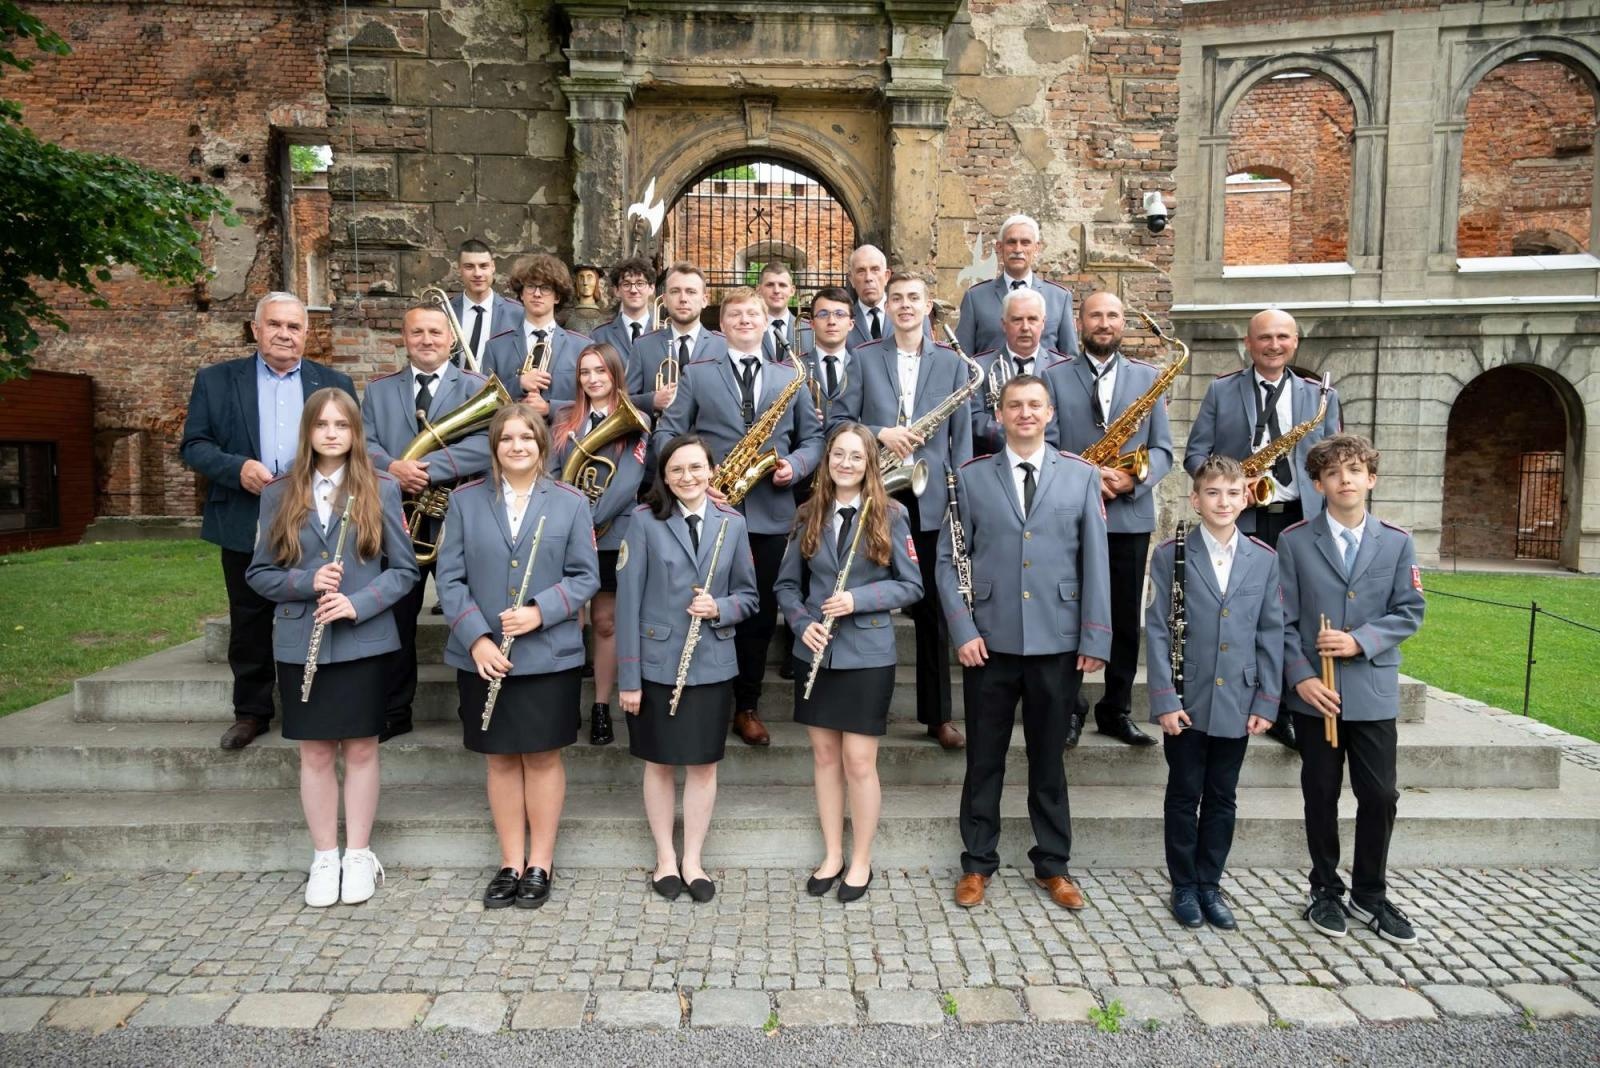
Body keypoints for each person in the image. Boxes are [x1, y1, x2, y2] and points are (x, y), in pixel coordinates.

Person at [936, 375, 1111, 911]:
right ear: (1000, 415)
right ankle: (977, 863)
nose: (1026, 413)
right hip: (988, 641)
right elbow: (948, 560)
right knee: (984, 759)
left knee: (1048, 761)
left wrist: (1095, 636)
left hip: (1057, 641)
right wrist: (963, 630)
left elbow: (1096, 561)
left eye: (1035, 405)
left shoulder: (1080, 476)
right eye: (1015, 405)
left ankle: (1053, 865)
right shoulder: (968, 477)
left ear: (1050, 412)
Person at [245, 388, 418, 906]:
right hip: (302, 642)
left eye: (342, 425)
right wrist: (304, 581)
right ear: (309, 432)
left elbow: (405, 571)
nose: (332, 433)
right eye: (322, 425)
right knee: (315, 752)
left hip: (362, 641)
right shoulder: (278, 492)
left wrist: (358, 603)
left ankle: (359, 853)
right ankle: (325, 856)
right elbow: (258, 573)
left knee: (363, 748)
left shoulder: (381, 489)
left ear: (355, 432)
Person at [435, 403, 601, 909]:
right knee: (501, 759)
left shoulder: (571, 503)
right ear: (494, 447)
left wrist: (540, 611)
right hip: (484, 656)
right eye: (506, 439)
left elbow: (586, 577)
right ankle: (510, 860)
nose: (517, 446)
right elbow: (450, 579)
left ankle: (541, 863)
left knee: (544, 757)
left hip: (548, 653)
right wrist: (477, 638)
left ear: (541, 445)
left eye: (526, 438)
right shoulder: (464, 502)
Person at [180, 292, 357, 751]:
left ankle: (316, 700)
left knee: (319, 602)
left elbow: (353, 445)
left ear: (306, 333)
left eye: (294, 327)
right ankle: (252, 711)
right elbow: (194, 445)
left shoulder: (331, 381)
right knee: (250, 613)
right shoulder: (217, 381)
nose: (284, 334)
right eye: (274, 324)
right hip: (246, 510)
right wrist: (237, 469)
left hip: (316, 511)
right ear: (255, 329)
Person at [653, 286, 823, 747]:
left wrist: (796, 465)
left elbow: (814, 440)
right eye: (735, 314)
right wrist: (691, 472)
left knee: (760, 614)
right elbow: (668, 430)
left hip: (769, 513)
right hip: (709, 507)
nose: (745, 320)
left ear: (767, 319)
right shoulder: (698, 372)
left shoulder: (789, 376)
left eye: (753, 313)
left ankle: (746, 705)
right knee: (705, 605)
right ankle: (705, 697)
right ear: (721, 324)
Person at [1278, 434, 1425, 945]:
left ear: (1371, 479)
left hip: (1372, 689)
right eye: (1334, 473)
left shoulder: (1397, 540)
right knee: (1320, 792)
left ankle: (1370, 892)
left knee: (1380, 794)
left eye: (1355, 470)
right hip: (1315, 693)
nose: (1345, 480)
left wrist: (1359, 640)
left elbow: (1410, 611)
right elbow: (1280, 620)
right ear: (1317, 485)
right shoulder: (1294, 541)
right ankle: (1324, 888)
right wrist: (1301, 677)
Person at [775, 424, 923, 902]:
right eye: (838, 454)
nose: (845, 463)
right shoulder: (806, 515)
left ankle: (861, 860)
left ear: (869, 465)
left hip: (867, 654)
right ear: (827, 460)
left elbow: (912, 586)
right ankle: (832, 854)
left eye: (856, 457)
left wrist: (858, 598)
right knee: (823, 757)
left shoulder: (892, 514)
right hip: (815, 650)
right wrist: (801, 623)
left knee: (858, 761)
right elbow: (786, 588)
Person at [1183, 307, 1343, 749]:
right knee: (1245, 613)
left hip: (1300, 521)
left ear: (1295, 342)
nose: (1274, 345)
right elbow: (1195, 455)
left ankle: (1287, 707)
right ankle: (1241, 700)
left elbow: (1334, 461)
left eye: (1283, 337)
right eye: (1264, 338)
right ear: (1248, 344)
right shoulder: (1221, 391)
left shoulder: (1320, 396)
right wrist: (1232, 485)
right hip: (1245, 521)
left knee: (1293, 613)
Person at [615, 434, 759, 903]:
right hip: (656, 665)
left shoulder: (732, 523)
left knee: (703, 766)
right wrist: (629, 679)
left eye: (696, 468)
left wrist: (720, 608)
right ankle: (664, 857)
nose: (687, 477)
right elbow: (628, 604)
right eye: (676, 469)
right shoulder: (642, 522)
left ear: (711, 470)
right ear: (664, 475)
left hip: (712, 665)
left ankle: (693, 858)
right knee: (658, 764)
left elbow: (750, 597)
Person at [1143, 455, 1284, 930]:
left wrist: (1266, 700)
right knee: (1184, 793)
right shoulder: (1170, 555)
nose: (1223, 502)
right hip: (1187, 696)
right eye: (1213, 493)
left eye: (1232, 492)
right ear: (1195, 499)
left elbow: (1272, 632)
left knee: (1222, 795)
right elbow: (1159, 631)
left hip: (1239, 699)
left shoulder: (1264, 559)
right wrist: (1163, 698)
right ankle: (1183, 885)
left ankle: (1210, 883)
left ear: (1247, 497)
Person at [838, 271, 970, 750]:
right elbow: (840, 421)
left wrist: (962, 506)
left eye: (914, 298)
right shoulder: (863, 356)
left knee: (933, 609)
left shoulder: (955, 365)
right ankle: (860, 707)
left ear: (928, 305)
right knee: (864, 596)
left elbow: (963, 440)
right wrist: (878, 433)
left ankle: (937, 717)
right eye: (897, 298)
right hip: (879, 493)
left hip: (931, 498)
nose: (906, 305)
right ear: (886, 306)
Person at [1042, 291, 1172, 749]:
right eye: (1095, 314)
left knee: (1122, 617)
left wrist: (1132, 480)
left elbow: (1163, 450)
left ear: (1123, 324)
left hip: (1128, 514)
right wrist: (1085, 476)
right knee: (1070, 612)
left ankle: (1116, 709)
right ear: (1080, 322)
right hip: (1072, 516)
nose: (1104, 322)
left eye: (1113, 315)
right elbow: (1047, 442)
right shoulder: (1053, 376)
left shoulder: (1149, 377)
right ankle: (1070, 709)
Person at [361, 302, 494, 741]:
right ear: (404, 338)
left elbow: (489, 444)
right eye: (417, 332)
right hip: (399, 521)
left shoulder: (477, 386)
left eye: (436, 333)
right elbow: (363, 444)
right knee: (397, 616)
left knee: (467, 611)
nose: (427, 341)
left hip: (458, 517)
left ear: (451, 339)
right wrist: (394, 467)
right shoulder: (379, 391)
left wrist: (425, 466)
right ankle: (394, 711)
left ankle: (470, 705)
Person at [549, 343, 650, 747]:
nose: (592, 379)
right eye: (585, 372)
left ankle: (601, 706)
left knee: (606, 622)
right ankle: (567, 700)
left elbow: (627, 483)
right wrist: (572, 524)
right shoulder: (562, 418)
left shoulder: (637, 420)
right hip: (568, 536)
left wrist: (585, 520)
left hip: (613, 535)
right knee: (570, 620)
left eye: (600, 372)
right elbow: (554, 473)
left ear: (615, 375)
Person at [955, 215, 1079, 358]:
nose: (1018, 249)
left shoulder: (1059, 298)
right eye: (1011, 242)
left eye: (1025, 243)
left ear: (1036, 248)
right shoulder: (975, 298)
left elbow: (1070, 360)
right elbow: (963, 359)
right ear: (1000, 247)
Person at [484, 254, 593, 409]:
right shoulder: (495, 347)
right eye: (530, 286)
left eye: (545, 288)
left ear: (557, 297)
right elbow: (485, 403)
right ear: (521, 294)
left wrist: (551, 408)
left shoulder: (582, 347)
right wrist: (518, 383)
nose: (537, 293)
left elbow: (593, 402)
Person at [968, 286, 1057, 456]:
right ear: (1004, 324)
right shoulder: (978, 367)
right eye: (1017, 320)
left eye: (1032, 319)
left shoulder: (1061, 368)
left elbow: (1063, 420)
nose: (1025, 327)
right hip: (994, 462)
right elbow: (974, 417)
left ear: (1043, 323)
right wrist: (1018, 436)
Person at [631, 261, 722, 420]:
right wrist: (652, 400)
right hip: (659, 441)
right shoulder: (642, 345)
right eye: (675, 291)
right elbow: (624, 400)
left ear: (704, 300)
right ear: (664, 300)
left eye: (691, 292)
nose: (683, 299)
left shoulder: (723, 345)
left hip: (708, 442)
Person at [592, 256, 670, 416]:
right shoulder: (599, 336)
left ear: (652, 288)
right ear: (616, 291)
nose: (633, 290)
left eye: (640, 283)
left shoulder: (667, 333)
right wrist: (650, 400)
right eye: (626, 284)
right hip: (611, 418)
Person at [449, 239, 523, 371]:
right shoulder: (445, 311)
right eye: (469, 267)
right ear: (459, 269)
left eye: (483, 266)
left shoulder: (517, 314)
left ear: (493, 267)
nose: (477, 274)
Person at [846, 244, 929, 350]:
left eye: (875, 270)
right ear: (851, 279)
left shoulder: (915, 314)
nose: (868, 278)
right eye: (861, 271)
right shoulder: (843, 320)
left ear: (886, 276)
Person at [758, 260, 812, 361]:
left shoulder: (810, 329)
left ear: (792, 291)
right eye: (770, 285)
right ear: (759, 290)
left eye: (782, 285)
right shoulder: (748, 328)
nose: (776, 291)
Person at [564, 263, 610, 336]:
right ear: (576, 283)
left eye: (589, 277)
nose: (585, 283)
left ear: (597, 282)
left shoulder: (607, 319)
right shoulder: (565, 317)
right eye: (581, 277)